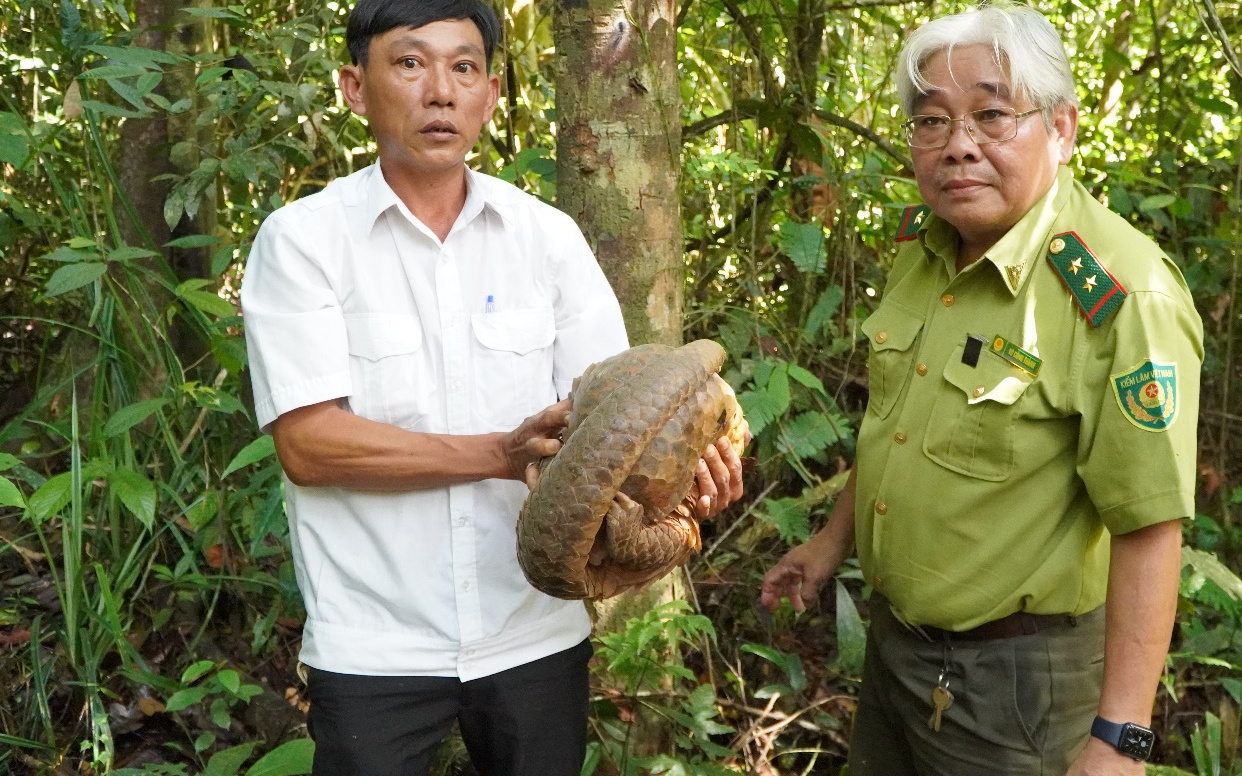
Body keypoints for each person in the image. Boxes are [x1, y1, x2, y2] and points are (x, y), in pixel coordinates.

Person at [239, 1, 744, 773]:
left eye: (463, 67)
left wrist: (687, 487)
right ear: (354, 87)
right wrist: (500, 453)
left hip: (534, 634)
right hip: (376, 645)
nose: (440, 90)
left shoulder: (546, 239)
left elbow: (624, 422)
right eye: (410, 63)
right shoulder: (303, 241)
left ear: (491, 94)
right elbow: (310, 447)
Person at [760, 4, 1201, 775]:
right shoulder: (926, 250)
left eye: (991, 115)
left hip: (1017, 688)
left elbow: (1149, 525)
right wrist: (831, 542)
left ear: (1060, 129)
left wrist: (1120, 737)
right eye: (931, 122)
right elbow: (899, 425)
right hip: (897, 652)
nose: (959, 145)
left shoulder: (1122, 295)